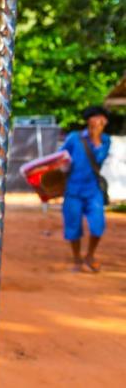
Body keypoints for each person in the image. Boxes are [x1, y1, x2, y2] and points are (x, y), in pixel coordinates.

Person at [60, 105, 111, 272]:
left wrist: (96, 138)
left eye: (102, 118)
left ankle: (90, 255)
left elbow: (100, 159)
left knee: (98, 225)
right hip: (73, 190)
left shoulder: (106, 140)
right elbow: (60, 156)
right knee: (73, 226)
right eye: (95, 117)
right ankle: (77, 259)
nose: (99, 121)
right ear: (88, 120)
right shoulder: (74, 138)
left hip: (93, 190)